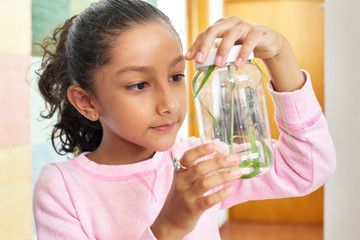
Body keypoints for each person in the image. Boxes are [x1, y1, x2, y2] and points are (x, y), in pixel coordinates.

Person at [32, 0, 336, 239]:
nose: (170, 103)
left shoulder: (198, 160)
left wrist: (279, 53)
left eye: (176, 76)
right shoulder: (62, 188)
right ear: (87, 101)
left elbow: (307, 168)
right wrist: (168, 229)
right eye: (139, 85)